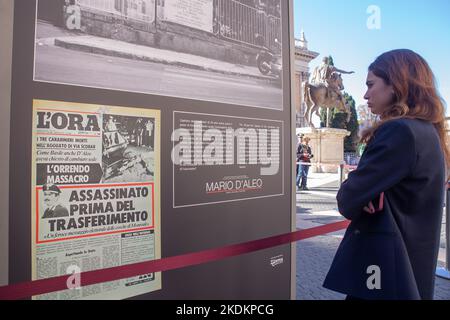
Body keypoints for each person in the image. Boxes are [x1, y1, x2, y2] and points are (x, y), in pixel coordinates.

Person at [323, 49, 449, 300]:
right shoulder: (429, 132)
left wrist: (365, 194)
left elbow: (347, 199)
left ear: (396, 84)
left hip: (384, 272)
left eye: (371, 84)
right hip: (411, 273)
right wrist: (374, 192)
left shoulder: (398, 131)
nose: (365, 94)